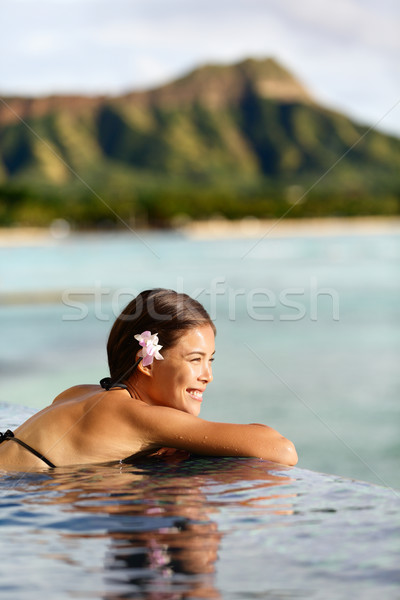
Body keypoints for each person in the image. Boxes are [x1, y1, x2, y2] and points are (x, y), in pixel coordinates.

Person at [0, 288, 298, 471]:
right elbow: (281, 450)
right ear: (147, 364)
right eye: (195, 359)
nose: (207, 376)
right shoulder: (140, 417)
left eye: (210, 360)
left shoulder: (77, 393)